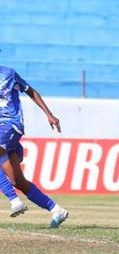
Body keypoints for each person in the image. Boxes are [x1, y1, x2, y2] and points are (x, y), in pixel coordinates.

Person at [0, 64, 70, 227]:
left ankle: (14, 200)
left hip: (10, 124)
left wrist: (49, 114)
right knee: (18, 181)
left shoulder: (8, 74)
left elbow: (30, 91)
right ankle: (56, 210)